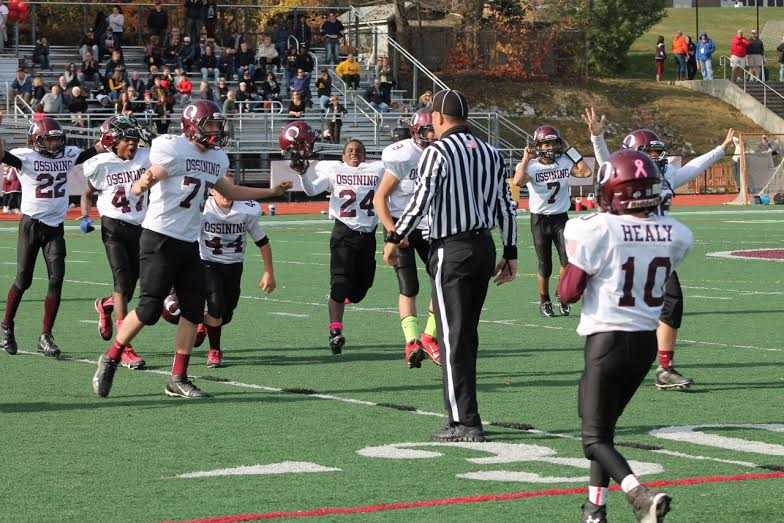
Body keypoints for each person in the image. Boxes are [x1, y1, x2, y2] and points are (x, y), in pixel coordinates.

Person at [91, 100, 292, 399]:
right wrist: (143, 183)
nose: (216, 130)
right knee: (148, 308)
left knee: (194, 310)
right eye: (211, 124)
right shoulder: (172, 148)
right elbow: (154, 174)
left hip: (189, 242)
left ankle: (178, 377)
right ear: (192, 125)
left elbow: (229, 191)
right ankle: (110, 358)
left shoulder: (217, 158)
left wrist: (270, 192)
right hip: (159, 237)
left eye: (217, 124)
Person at [558, 149, 692, 523]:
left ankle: (639, 495)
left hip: (607, 341)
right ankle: (594, 508)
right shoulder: (675, 232)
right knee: (604, 430)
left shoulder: (598, 228)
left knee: (593, 439)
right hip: (645, 343)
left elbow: (568, 292)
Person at [383, 89, 518, 442]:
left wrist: (394, 238)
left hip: (452, 249)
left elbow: (420, 201)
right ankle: (464, 414)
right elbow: (507, 204)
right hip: (484, 247)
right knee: (465, 334)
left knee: (451, 336)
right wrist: (512, 251)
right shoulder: (490, 152)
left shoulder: (438, 152)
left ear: (439, 119)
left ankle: (464, 421)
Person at [584, 106, 735, 391]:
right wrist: (597, 138)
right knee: (621, 308)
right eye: (650, 153)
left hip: (656, 250)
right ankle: (611, 363)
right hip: (625, 248)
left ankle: (664, 368)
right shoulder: (621, 174)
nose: (658, 159)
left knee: (671, 302)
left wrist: (720, 149)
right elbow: (606, 162)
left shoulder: (664, 178)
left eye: (657, 153)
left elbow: (693, 168)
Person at [0, 119, 95, 358]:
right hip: (31, 225)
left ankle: (46, 336)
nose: (54, 144)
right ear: (36, 140)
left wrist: (107, 139)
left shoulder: (69, 154)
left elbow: (92, 151)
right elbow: (3, 155)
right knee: (23, 280)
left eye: (57, 139)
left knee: (57, 278)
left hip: (55, 227)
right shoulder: (25, 157)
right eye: (49, 139)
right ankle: (6, 327)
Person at [292, 134, 384, 354]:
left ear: (365, 155)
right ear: (343, 156)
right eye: (350, 150)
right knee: (339, 284)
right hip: (343, 232)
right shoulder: (335, 170)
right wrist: (303, 173)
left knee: (359, 292)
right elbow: (311, 190)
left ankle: (343, 299)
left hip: (368, 235)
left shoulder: (377, 170)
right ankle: (335, 331)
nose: (354, 153)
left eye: (358, 150)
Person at [80, 116, 150, 369]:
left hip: (142, 226)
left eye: (134, 140)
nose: (132, 145)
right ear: (113, 141)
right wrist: (86, 215)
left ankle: (104, 305)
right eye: (127, 140)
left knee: (132, 286)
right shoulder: (100, 162)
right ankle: (125, 346)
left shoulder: (146, 156)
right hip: (113, 226)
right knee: (121, 282)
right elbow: (86, 190)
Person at [374, 109, 441, 368]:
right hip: (402, 226)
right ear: (416, 131)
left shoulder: (441, 153)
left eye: (434, 129)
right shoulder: (402, 155)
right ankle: (412, 341)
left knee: (441, 281)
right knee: (408, 286)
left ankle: (429, 336)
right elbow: (380, 198)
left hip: (430, 226)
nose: (432, 135)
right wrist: (394, 232)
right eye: (427, 131)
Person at [193, 172, 276, 367]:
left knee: (225, 314)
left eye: (230, 189)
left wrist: (269, 272)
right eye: (221, 189)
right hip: (208, 262)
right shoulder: (203, 209)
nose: (226, 193)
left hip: (234, 265)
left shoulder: (246, 209)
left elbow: (262, 242)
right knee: (214, 304)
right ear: (212, 190)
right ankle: (215, 350)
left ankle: (205, 324)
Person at [513, 125, 591, 318]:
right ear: (538, 145)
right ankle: (544, 300)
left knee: (568, 260)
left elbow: (586, 172)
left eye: (553, 143)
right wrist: (525, 158)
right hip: (539, 219)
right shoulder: (531, 165)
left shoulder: (564, 160)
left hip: (561, 218)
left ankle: (561, 294)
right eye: (545, 143)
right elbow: (517, 181)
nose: (549, 147)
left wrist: (569, 148)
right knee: (544, 265)